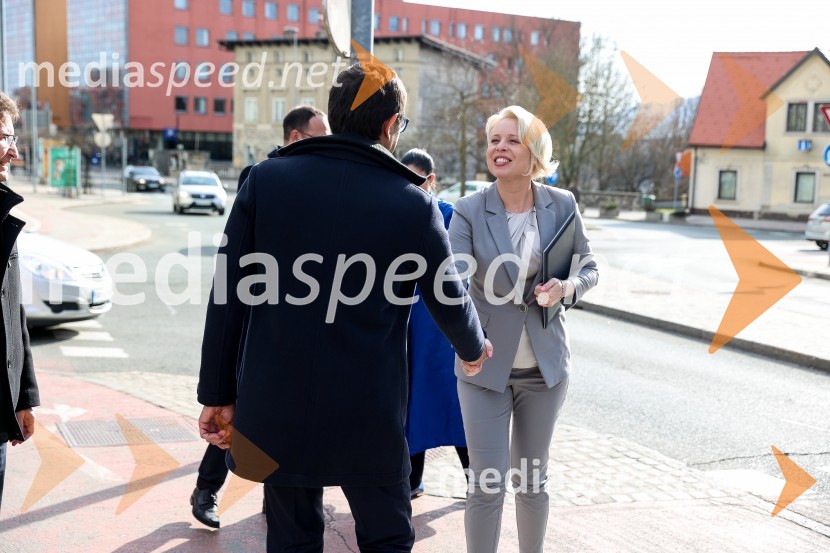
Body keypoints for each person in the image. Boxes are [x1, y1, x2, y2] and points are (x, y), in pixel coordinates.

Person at [197, 63, 491, 552]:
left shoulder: (266, 181)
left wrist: (217, 391)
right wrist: (473, 345)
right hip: (368, 412)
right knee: (388, 537)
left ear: (333, 116)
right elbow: (449, 294)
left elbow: (226, 297)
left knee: (291, 538)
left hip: (276, 403)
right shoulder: (411, 202)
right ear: (390, 125)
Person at [448, 105, 598, 553]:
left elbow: (588, 266)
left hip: (545, 369)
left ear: (533, 152)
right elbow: (451, 281)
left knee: (532, 483)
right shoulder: (470, 210)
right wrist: (465, 338)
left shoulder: (562, 205)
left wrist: (567, 287)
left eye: (512, 140)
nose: (500, 148)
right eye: (495, 140)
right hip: (484, 369)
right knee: (487, 485)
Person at [190, 105, 331, 529]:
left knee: (273, 421)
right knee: (237, 414)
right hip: (256, 323)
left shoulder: (318, 180)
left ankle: (277, 499)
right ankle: (206, 490)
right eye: (319, 136)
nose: (328, 144)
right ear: (295, 137)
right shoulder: (262, 176)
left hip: (292, 325)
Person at [399, 148, 469, 499]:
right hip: (408, 325)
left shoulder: (452, 217)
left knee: (453, 403)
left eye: (417, 180)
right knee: (414, 402)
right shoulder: (395, 214)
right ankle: (412, 479)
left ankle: (477, 477)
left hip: (441, 326)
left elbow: (462, 275)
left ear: (432, 180)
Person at [0, 91, 39, 512]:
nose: (14, 151)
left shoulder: (3, 213)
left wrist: (23, 397)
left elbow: (14, 311)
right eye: (4, 138)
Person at [235, 104, 330, 190]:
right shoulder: (254, 175)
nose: (326, 147)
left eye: (328, 140)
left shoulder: (323, 174)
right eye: (320, 140)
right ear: (296, 137)